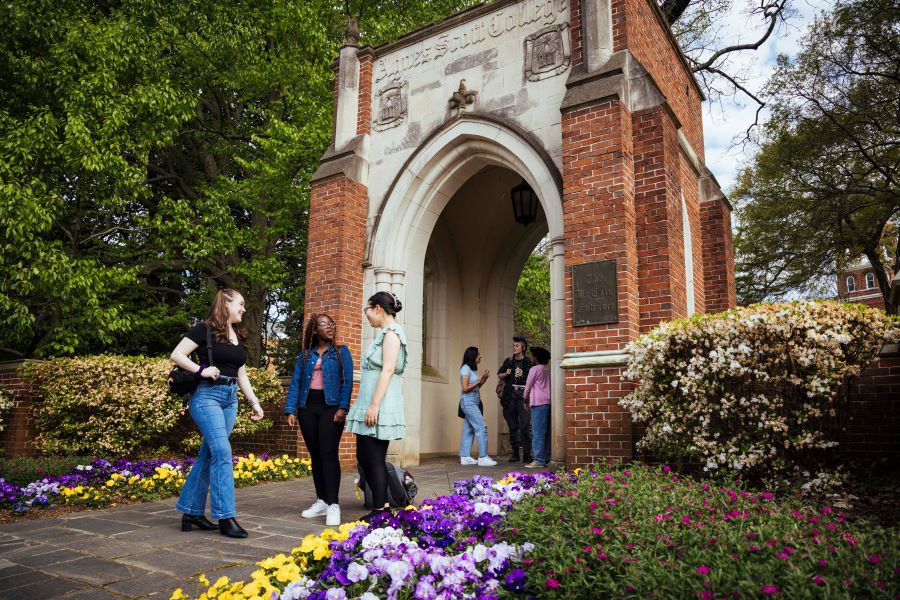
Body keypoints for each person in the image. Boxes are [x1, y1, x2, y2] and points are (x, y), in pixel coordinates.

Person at [171, 289, 264, 539]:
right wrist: (201, 370)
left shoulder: (238, 335)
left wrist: (254, 402)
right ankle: (226, 517)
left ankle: (191, 511)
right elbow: (177, 355)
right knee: (222, 453)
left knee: (209, 453)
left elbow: (241, 374)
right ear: (226, 303)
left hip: (230, 399)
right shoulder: (204, 329)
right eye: (240, 304)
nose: (244, 309)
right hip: (207, 397)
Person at [285, 314, 353, 527]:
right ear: (314, 330)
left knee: (328, 453)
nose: (329, 327)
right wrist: (291, 410)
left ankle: (334, 505)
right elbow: (295, 382)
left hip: (330, 407)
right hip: (307, 407)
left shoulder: (341, 352)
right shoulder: (305, 355)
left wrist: (343, 407)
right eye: (324, 325)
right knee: (315, 455)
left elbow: (347, 381)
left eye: (331, 324)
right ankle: (322, 500)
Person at [345, 291, 407, 516]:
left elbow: (388, 369)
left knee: (373, 458)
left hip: (379, 404)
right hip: (373, 402)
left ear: (378, 309)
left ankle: (380, 510)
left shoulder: (391, 334)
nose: (367, 315)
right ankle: (383, 506)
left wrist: (374, 405)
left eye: (367, 310)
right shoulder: (385, 334)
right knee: (367, 457)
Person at [458, 347, 498, 467]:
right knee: (481, 427)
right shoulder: (465, 369)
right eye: (478, 355)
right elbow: (465, 388)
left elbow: (475, 387)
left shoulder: (471, 370)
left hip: (473, 401)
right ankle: (483, 457)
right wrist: (479, 380)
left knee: (469, 429)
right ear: (473, 356)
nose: (480, 356)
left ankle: (465, 457)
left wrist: (483, 380)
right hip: (469, 402)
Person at [497, 336, 532, 463]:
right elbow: (499, 374)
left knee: (524, 425)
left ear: (523, 348)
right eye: (513, 345)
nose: (514, 347)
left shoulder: (528, 362)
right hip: (510, 395)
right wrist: (506, 373)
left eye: (517, 346)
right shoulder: (509, 361)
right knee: (513, 426)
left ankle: (527, 454)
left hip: (523, 395)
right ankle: (515, 454)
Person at [523, 346, 551, 468]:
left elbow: (528, 386)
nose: (530, 357)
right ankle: (546, 458)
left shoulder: (534, 369)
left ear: (536, 357)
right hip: (548, 403)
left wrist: (525, 399)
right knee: (547, 433)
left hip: (538, 403)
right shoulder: (547, 369)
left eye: (532, 355)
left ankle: (539, 460)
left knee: (537, 432)